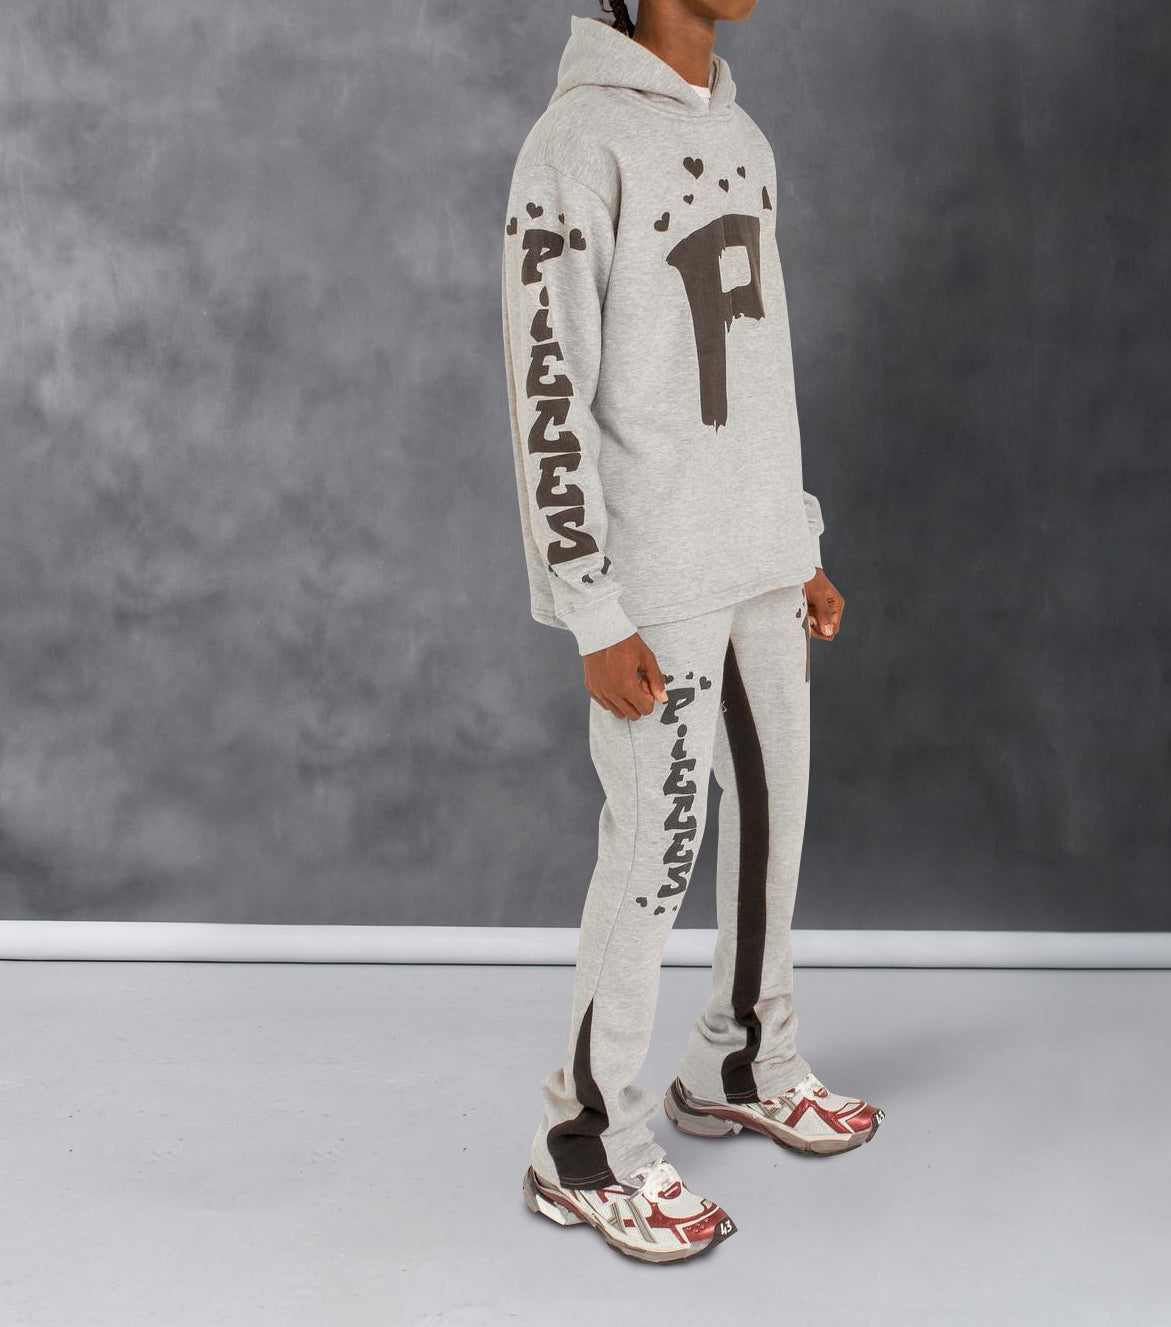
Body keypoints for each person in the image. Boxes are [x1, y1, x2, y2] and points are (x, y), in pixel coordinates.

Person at [499, 0, 883, 1265]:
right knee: (653, 857)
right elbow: (546, 385)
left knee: (776, 823)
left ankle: (740, 1057)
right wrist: (589, 602)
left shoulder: (745, 138)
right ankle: (584, 1140)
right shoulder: (574, 145)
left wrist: (798, 536)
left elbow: (760, 369)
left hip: (759, 561)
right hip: (654, 583)